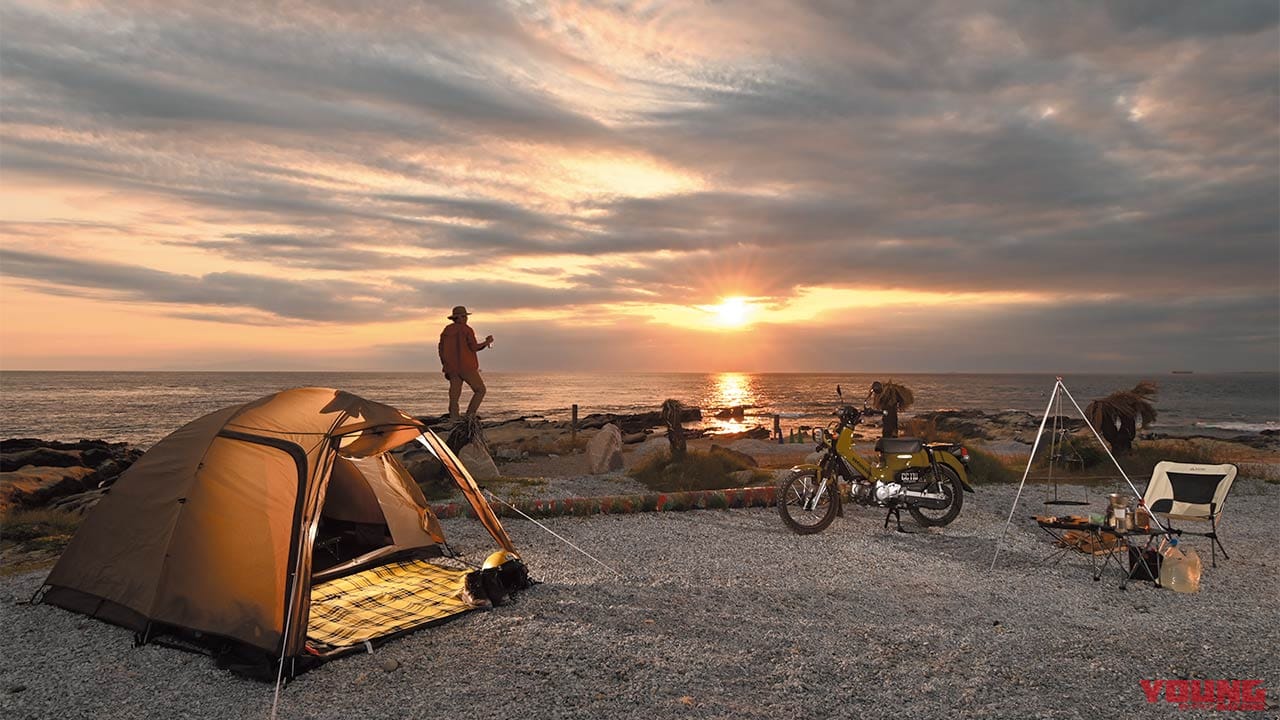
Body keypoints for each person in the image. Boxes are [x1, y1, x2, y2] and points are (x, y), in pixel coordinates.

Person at [439, 305, 494, 419]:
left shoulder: (446, 330)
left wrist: (445, 365)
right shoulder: (466, 329)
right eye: (463, 316)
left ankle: (454, 418)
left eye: (465, 316)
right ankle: (470, 415)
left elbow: (441, 349)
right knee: (480, 390)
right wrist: (486, 342)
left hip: (452, 368)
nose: (465, 319)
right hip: (467, 367)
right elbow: (474, 347)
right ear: (458, 318)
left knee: (454, 396)